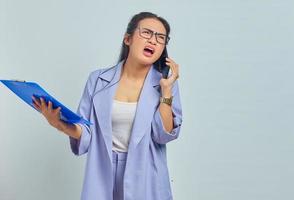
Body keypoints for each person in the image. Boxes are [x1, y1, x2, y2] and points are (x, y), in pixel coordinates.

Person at [32, 11, 183, 200]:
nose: (153, 40)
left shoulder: (165, 83)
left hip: (146, 174)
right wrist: (59, 124)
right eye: (146, 33)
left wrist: (166, 92)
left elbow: (163, 135)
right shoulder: (97, 80)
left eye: (161, 38)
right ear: (128, 39)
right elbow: (87, 133)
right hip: (103, 169)